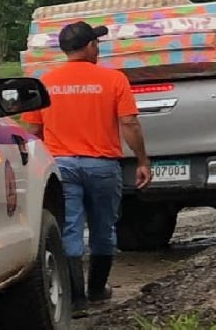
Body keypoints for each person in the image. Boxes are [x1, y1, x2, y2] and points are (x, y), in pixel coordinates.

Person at [21, 21, 152, 317]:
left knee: (70, 230)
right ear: (91, 46)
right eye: (97, 43)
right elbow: (129, 123)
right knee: (103, 228)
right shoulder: (113, 80)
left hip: (61, 166)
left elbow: (32, 129)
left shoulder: (44, 81)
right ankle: (96, 290)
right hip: (102, 166)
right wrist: (142, 160)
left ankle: (76, 299)